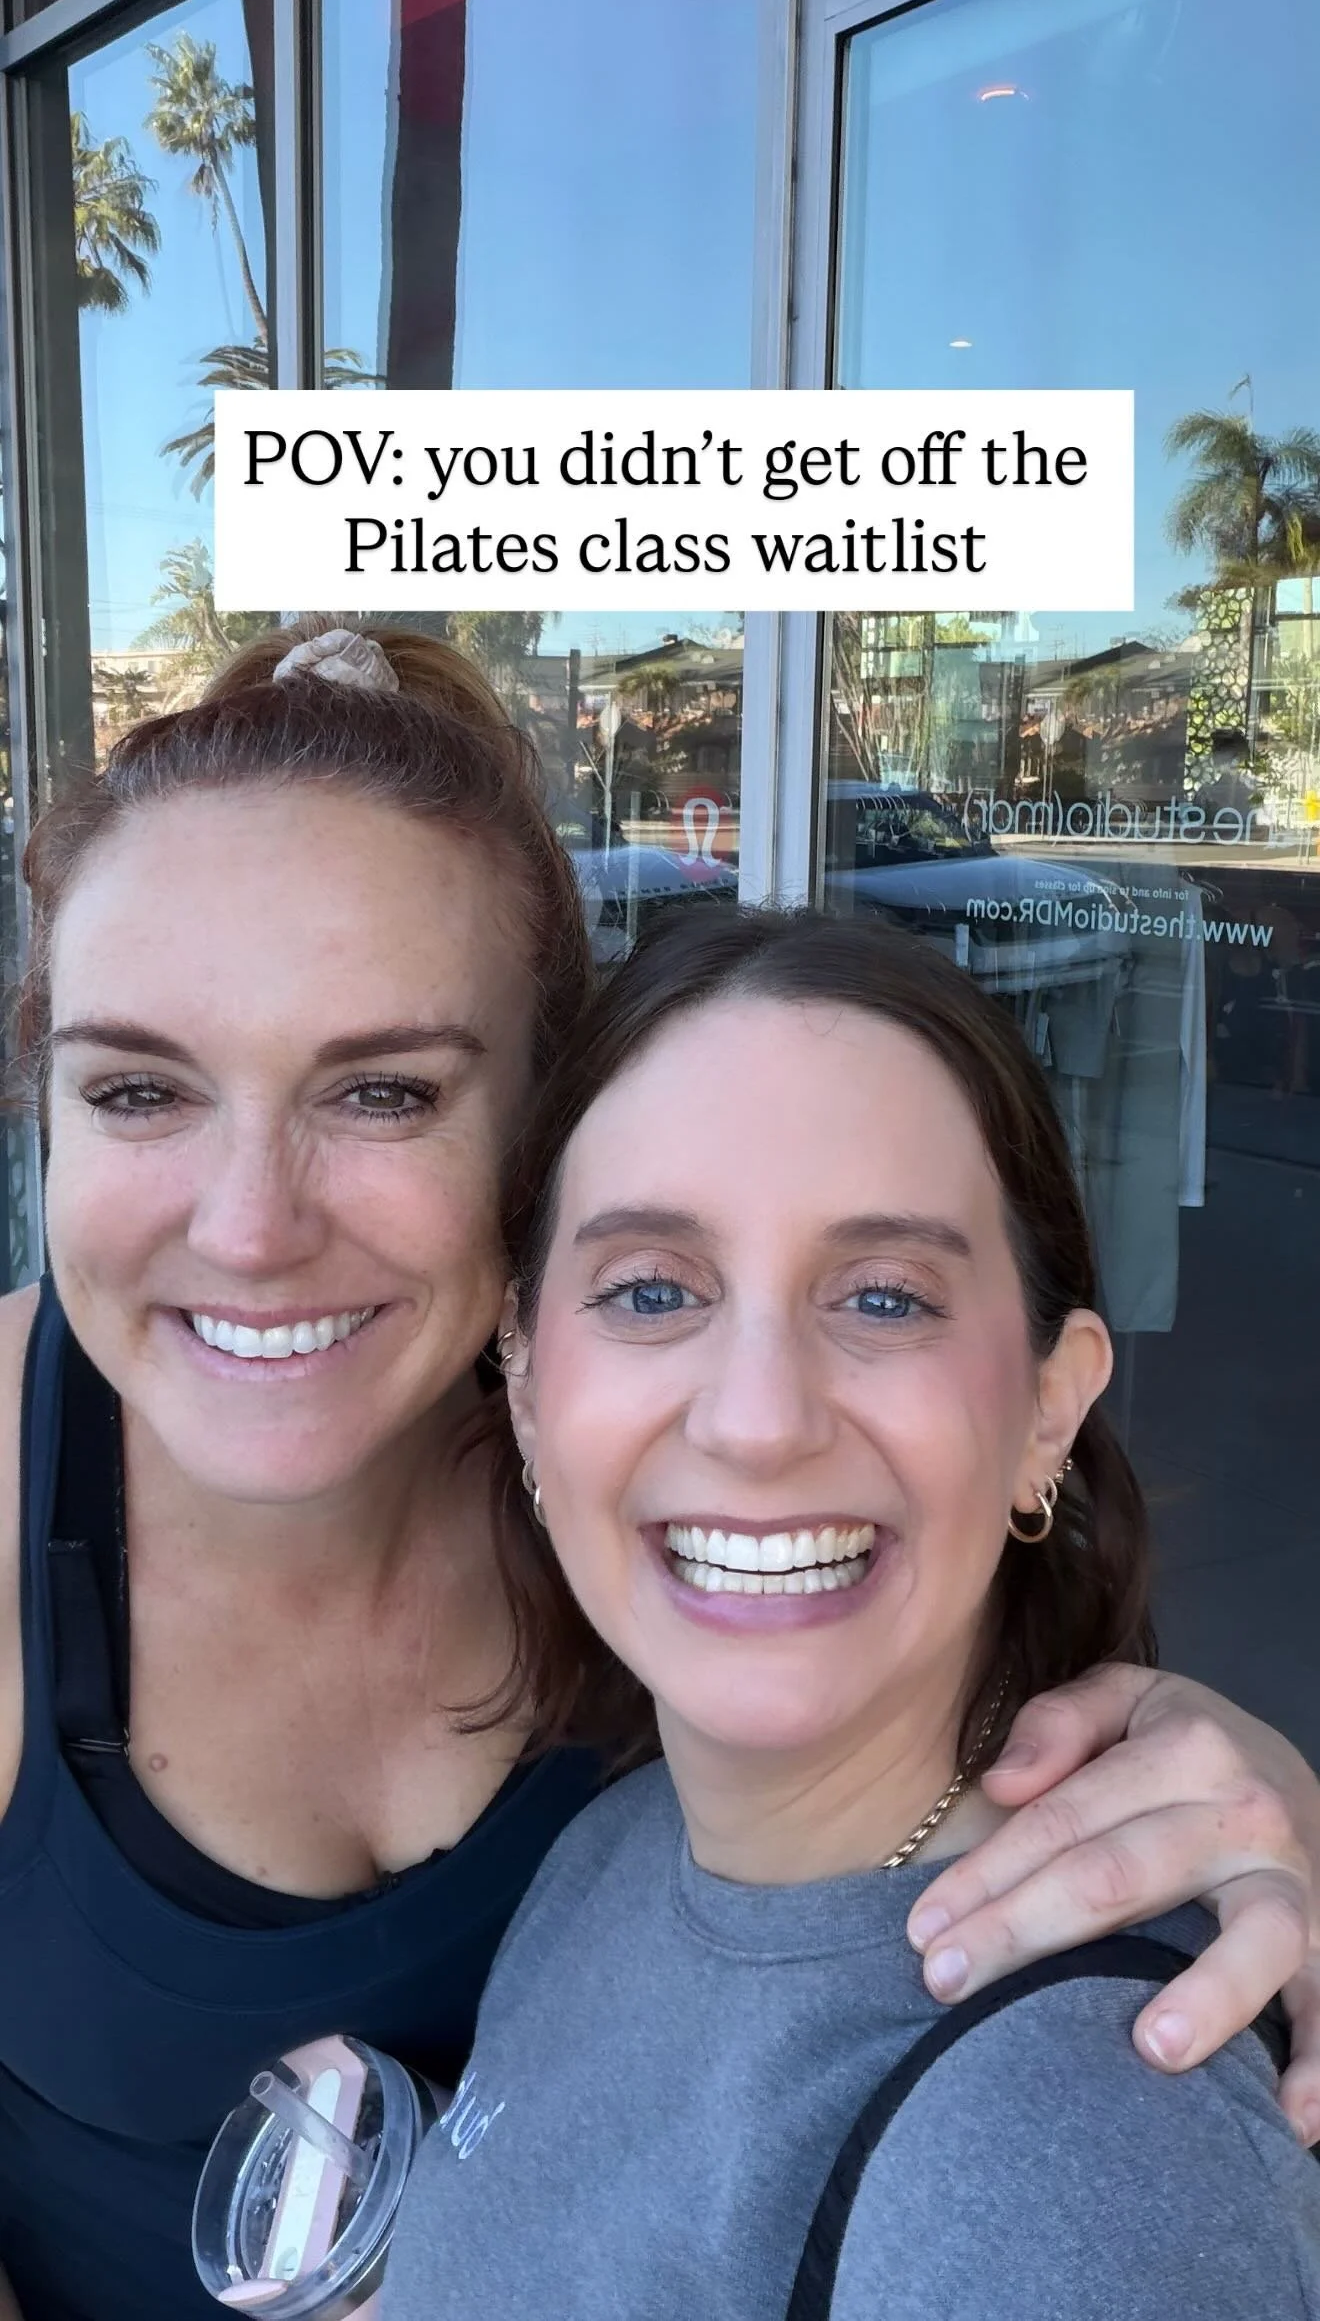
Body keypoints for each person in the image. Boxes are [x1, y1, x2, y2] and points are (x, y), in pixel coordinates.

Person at [0, 624, 1316, 2321]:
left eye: (385, 1091)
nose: (250, 1226)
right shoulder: (619, 1796)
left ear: (539, 1141)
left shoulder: (685, 1512)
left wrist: (1257, 1809)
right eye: (135, 1089)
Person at [386, 906, 1320, 2321]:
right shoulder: (612, 1845)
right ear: (523, 1377)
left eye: (884, 1298)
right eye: (653, 1289)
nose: (759, 1421)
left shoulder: (1073, 2141)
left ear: (1049, 1406)